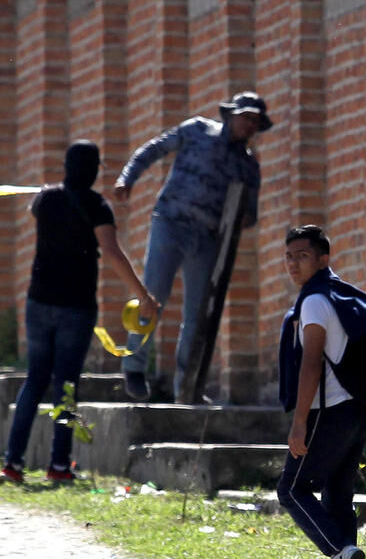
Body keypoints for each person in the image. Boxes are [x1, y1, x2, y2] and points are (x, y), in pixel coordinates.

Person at [0, 141, 158, 485]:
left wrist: (50, 190)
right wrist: (142, 295)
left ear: (66, 165)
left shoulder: (46, 198)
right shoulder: (97, 206)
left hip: (38, 301)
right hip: (76, 306)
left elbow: (33, 209)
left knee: (35, 380)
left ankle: (12, 463)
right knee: (66, 385)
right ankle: (58, 465)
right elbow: (112, 252)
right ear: (96, 169)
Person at [113, 91, 272, 401]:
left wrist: (242, 217)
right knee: (152, 295)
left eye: (255, 122)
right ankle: (134, 367)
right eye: (246, 118)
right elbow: (154, 149)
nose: (249, 126)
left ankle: (187, 386)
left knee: (198, 313)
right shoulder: (196, 130)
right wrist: (127, 178)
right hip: (171, 222)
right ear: (231, 115)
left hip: (207, 237)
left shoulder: (249, 166)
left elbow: (250, 213)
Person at [276, 225, 366, 559]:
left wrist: (300, 421)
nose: (293, 263)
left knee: (291, 488)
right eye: (288, 255)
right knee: (337, 496)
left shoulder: (316, 301)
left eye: (302, 255)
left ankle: (340, 550)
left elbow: (312, 362)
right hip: (357, 411)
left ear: (323, 259)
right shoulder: (341, 297)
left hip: (329, 411)